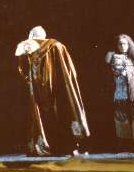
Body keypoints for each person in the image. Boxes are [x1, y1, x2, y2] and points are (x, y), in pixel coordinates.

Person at [15, 26, 90, 156]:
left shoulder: (26, 46)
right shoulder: (57, 45)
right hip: (57, 87)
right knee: (62, 111)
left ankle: (46, 146)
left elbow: (23, 69)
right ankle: (67, 146)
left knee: (42, 115)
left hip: (37, 90)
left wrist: (31, 80)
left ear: (31, 35)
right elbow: (68, 70)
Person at [104, 34, 134, 153]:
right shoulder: (113, 56)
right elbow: (108, 68)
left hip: (133, 92)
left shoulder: (133, 58)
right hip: (120, 92)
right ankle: (124, 144)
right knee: (121, 117)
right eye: (120, 44)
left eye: (125, 43)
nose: (122, 46)